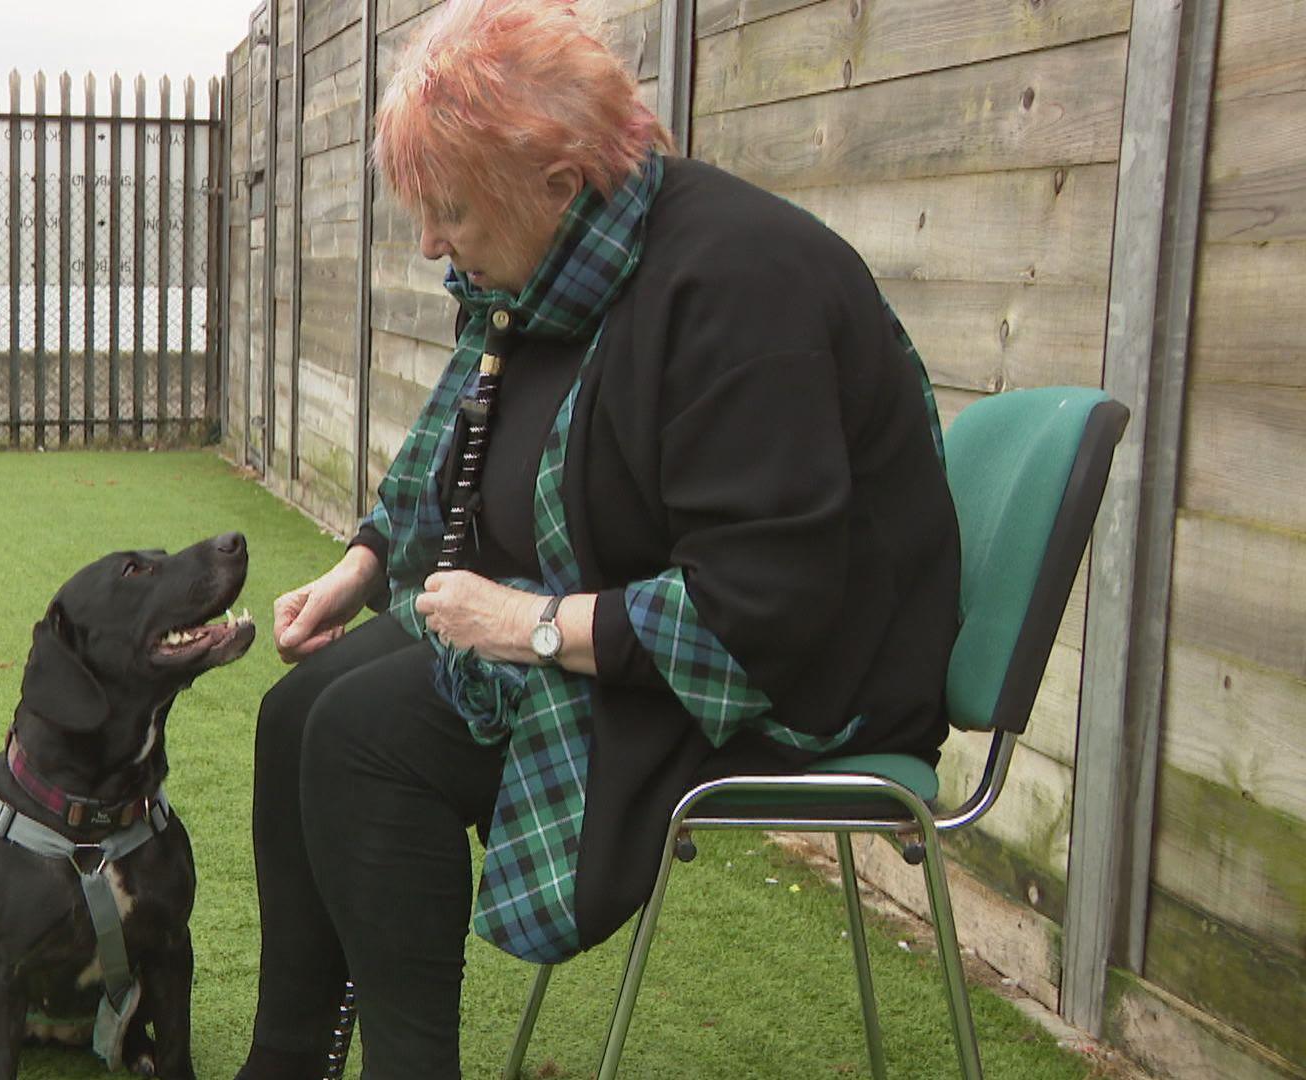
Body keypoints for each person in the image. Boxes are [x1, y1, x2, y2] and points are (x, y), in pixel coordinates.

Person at [233, 1, 960, 1076]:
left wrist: (527, 624)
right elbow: (466, 428)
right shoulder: (569, 263)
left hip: (788, 678)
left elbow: (765, 614)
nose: (433, 244)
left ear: (557, 183)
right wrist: (367, 564)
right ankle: (283, 1062)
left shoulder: (739, 287)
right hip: (614, 607)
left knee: (365, 740)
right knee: (299, 710)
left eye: (452, 215)